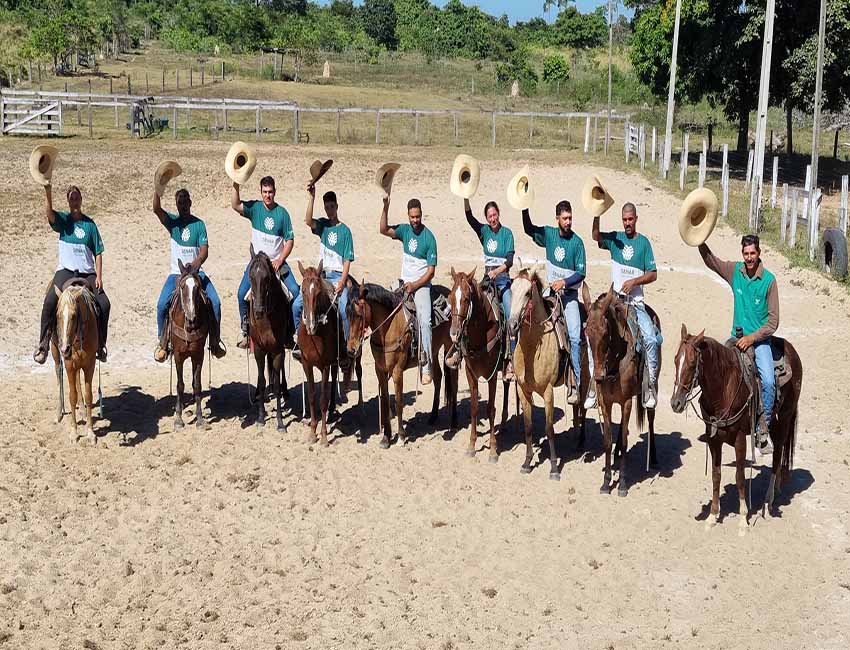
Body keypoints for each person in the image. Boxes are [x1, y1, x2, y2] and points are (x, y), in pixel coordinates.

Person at [698, 235, 779, 455]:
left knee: (769, 382)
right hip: (735, 338)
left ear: (759, 253)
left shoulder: (769, 281)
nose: (749, 257)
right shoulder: (736, 272)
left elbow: (773, 322)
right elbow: (711, 261)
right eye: (746, 254)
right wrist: (698, 237)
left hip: (760, 342)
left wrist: (752, 338)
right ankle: (712, 420)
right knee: (713, 368)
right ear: (742, 254)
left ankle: (763, 428)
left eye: (753, 253)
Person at [523, 200, 596, 408]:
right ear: (557, 219)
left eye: (570, 218)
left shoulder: (577, 243)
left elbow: (581, 273)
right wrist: (524, 204)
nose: (568, 222)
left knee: (574, 335)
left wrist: (564, 282)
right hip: (550, 295)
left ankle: (575, 380)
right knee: (528, 316)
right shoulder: (549, 235)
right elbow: (529, 229)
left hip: (569, 297)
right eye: (565, 218)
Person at [592, 202, 659, 409]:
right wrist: (597, 213)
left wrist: (635, 281)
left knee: (651, 340)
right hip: (615, 302)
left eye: (630, 219)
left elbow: (653, 274)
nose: (627, 223)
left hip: (636, 304)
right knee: (593, 332)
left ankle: (649, 386)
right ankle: (592, 388)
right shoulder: (615, 239)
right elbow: (595, 235)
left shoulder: (644, 243)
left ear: (636, 219)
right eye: (624, 220)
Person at [34, 184, 110, 364]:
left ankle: (100, 344)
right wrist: (47, 190)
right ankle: (43, 343)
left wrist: (98, 276)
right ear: (68, 201)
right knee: (49, 301)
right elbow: (49, 213)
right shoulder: (63, 220)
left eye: (77, 198)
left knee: (105, 304)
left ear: (81, 200)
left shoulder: (90, 225)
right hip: (65, 271)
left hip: (87, 272)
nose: (75, 201)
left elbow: (98, 252)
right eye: (72, 198)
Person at [152, 188, 226, 362]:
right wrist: (158, 189)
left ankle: (215, 341)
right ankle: (163, 343)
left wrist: (195, 265)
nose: (183, 205)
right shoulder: (172, 222)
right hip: (176, 274)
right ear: (177, 205)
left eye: (186, 202)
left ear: (190, 203)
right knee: (162, 304)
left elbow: (204, 251)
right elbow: (156, 209)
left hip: (196, 273)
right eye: (180, 202)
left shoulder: (199, 225)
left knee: (215, 302)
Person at [447, 198, 516, 375]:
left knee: (510, 315)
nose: (492, 219)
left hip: (503, 281)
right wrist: (465, 197)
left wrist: (497, 271)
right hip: (487, 281)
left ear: (499, 214)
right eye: (489, 216)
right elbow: (470, 218)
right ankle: (459, 351)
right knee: (469, 308)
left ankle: (510, 358)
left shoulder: (507, 234)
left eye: (494, 215)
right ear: (486, 218)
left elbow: (509, 261)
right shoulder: (484, 231)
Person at [231, 175, 299, 349]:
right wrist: (236, 184)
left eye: (270, 192)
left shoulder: (282, 213)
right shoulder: (254, 208)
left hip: (277, 263)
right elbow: (235, 204)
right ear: (261, 193)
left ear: (275, 192)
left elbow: (289, 240)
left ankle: (290, 333)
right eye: (264, 192)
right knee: (240, 294)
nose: (267, 195)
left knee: (295, 293)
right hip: (257, 264)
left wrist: (280, 259)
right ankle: (246, 330)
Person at [379, 195, 438, 385]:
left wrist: (415, 285)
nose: (415, 220)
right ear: (408, 216)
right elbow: (383, 229)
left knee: (426, 321)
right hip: (403, 283)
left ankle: (426, 364)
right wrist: (386, 207)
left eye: (418, 217)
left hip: (420, 286)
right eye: (412, 217)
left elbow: (431, 272)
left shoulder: (429, 238)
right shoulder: (404, 231)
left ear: (422, 215)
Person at [292, 185, 354, 362]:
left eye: (332, 207)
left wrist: (342, 281)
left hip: (337, 276)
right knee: (297, 306)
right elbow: (308, 220)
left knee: (343, 309)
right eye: (327, 207)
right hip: (321, 277)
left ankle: (345, 348)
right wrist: (312, 197)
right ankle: (299, 342)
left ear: (337, 206)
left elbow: (348, 259)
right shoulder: (323, 226)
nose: (329, 210)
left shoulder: (345, 231)